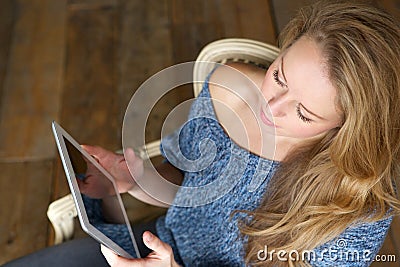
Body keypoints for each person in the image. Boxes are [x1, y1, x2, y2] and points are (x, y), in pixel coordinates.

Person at [3, 1, 399, 266]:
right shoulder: (228, 88)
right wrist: (136, 181)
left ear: (347, 129)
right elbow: (190, 183)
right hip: (153, 247)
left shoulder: (357, 206)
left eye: (303, 112)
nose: (270, 107)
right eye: (279, 76)